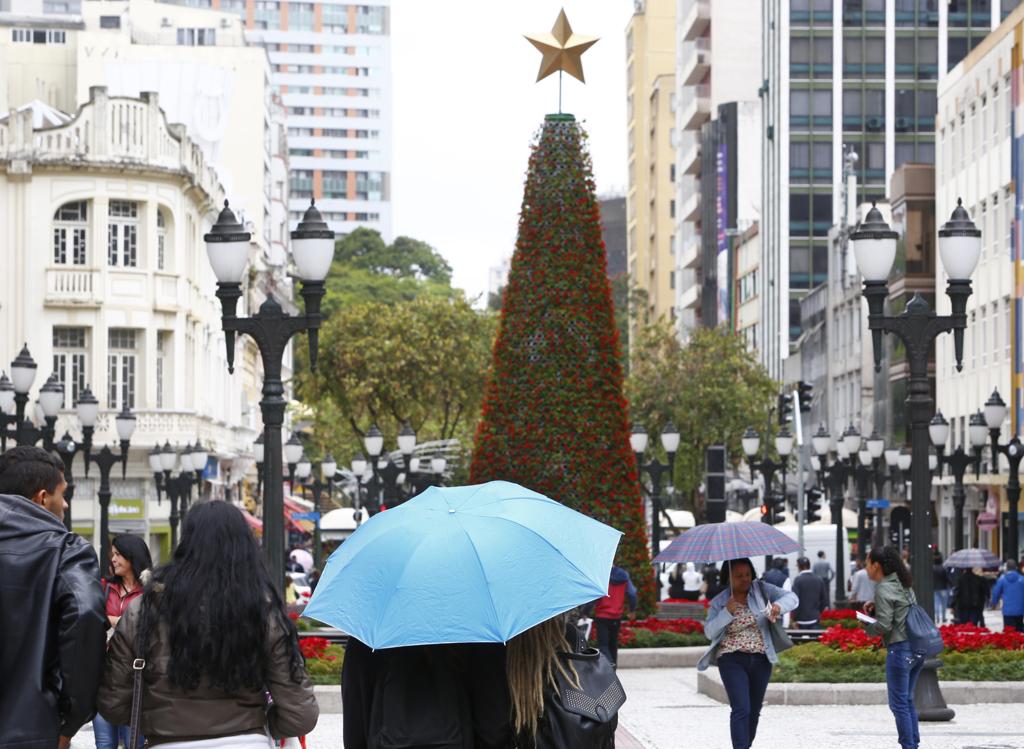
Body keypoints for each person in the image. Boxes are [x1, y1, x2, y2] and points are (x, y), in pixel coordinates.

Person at [98, 501, 318, 745]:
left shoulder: (143, 610)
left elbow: (112, 703)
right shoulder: (263, 613)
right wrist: (261, 725)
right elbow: (301, 714)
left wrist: (161, 720)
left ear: (185, 545)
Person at [0, 446, 106, 749]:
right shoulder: (66, 550)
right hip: (34, 731)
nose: (67, 505)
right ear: (42, 497)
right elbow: (85, 618)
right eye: (63, 494)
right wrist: (70, 721)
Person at [698, 558, 799, 749]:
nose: (745, 579)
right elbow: (709, 632)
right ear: (728, 578)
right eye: (739, 576)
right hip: (731, 658)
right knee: (741, 708)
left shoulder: (761, 589)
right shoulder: (720, 602)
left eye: (747, 574)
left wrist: (778, 607)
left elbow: (792, 598)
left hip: (762, 658)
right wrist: (726, 613)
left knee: (754, 711)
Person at [342, 637, 511, 748]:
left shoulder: (368, 637)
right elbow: (492, 725)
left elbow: (355, 716)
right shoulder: (475, 634)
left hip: (387, 740)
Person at [94, 534, 153, 749]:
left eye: (118, 554)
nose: (113, 559)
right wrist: (118, 620)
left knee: (134, 744)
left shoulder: (149, 591)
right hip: (105, 677)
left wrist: (116, 621)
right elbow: (90, 617)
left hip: (135, 680)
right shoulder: (104, 587)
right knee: (104, 743)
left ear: (132, 557)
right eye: (113, 554)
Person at [862, 546, 923, 749]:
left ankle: (908, 746)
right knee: (907, 700)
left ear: (876, 565)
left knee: (898, 704)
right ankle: (913, 743)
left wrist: (867, 626)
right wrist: (877, 607)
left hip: (900, 649)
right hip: (917, 648)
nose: (866, 568)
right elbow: (900, 610)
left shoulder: (882, 588)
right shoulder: (902, 583)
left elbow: (885, 626)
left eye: (867, 564)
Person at [591, 565, 637, 667]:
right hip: (616, 616)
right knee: (613, 645)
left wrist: (584, 611)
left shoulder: (601, 575)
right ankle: (613, 670)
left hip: (602, 615)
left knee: (603, 644)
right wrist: (632, 610)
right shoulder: (624, 575)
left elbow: (593, 594)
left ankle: (609, 665)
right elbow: (632, 593)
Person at [791, 556, 829, 629]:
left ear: (799, 567)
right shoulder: (818, 579)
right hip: (815, 618)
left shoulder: (798, 580)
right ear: (809, 565)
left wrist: (794, 618)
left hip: (801, 619)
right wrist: (818, 612)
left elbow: (795, 600)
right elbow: (824, 600)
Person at [991, 559, 1024, 633]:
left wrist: (994, 603)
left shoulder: (1002, 579)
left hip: (1007, 610)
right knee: (1020, 631)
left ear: (1007, 568)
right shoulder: (1022, 579)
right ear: (1015, 567)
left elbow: (996, 592)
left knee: (1009, 632)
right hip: (1020, 609)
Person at [932, 552, 953, 625]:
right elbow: (947, 578)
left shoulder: (932, 569)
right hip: (943, 588)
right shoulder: (943, 568)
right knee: (944, 604)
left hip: (935, 588)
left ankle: (937, 618)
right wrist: (951, 585)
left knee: (936, 603)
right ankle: (943, 618)